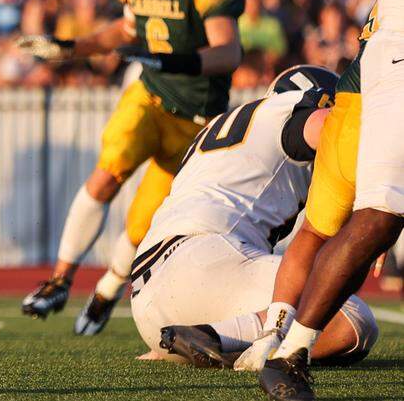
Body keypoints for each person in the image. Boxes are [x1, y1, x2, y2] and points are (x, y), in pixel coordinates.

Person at [18, 0, 246, 336]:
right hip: (149, 95)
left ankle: (107, 289)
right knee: (110, 168)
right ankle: (60, 279)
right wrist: (72, 48)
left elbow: (228, 52)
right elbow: (126, 30)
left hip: (196, 120)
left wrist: (174, 59)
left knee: (142, 223)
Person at [258, 0, 404, 401]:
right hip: (393, 57)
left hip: (375, 70)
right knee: (378, 216)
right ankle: (290, 349)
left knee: (368, 219)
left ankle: (282, 341)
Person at [130, 65, 377, 368]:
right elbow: (329, 124)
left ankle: (206, 335)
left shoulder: (221, 126)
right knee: (351, 320)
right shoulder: (294, 109)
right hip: (205, 260)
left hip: (146, 297)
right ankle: (219, 337)